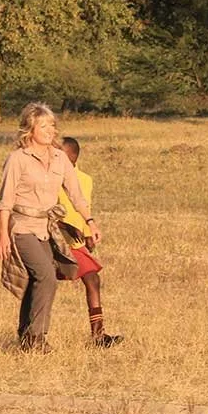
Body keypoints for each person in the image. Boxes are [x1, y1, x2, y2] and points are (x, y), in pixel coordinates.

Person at [0, 103, 101, 353]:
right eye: (43, 126)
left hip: (46, 227)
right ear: (29, 129)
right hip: (22, 226)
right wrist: (2, 236)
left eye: (52, 125)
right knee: (46, 276)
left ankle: (26, 335)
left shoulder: (59, 157)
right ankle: (37, 337)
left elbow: (75, 194)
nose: (49, 130)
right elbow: (5, 200)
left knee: (37, 279)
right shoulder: (17, 159)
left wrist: (90, 221)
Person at [59, 137, 123, 348]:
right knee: (40, 284)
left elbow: (85, 208)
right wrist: (64, 225)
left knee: (92, 279)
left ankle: (98, 336)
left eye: (63, 157)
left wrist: (88, 233)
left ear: (74, 158)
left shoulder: (85, 180)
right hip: (53, 238)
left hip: (74, 242)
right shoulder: (50, 178)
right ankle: (31, 333)